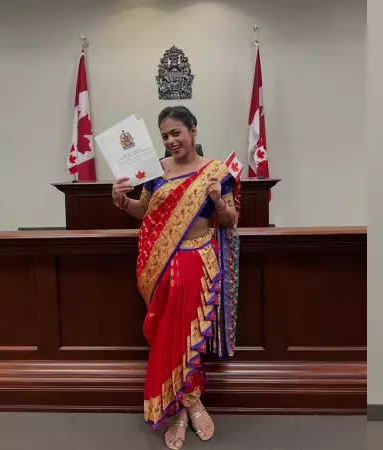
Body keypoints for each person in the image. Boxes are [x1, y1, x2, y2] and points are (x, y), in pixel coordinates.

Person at [111, 105, 241, 450]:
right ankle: (191, 404)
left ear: (193, 131)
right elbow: (145, 211)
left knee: (191, 334)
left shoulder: (216, 172)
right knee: (168, 335)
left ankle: (181, 413)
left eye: (176, 133)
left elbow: (229, 221)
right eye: (165, 135)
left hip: (198, 260)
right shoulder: (155, 172)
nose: (170, 141)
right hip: (161, 264)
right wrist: (123, 202)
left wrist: (218, 200)